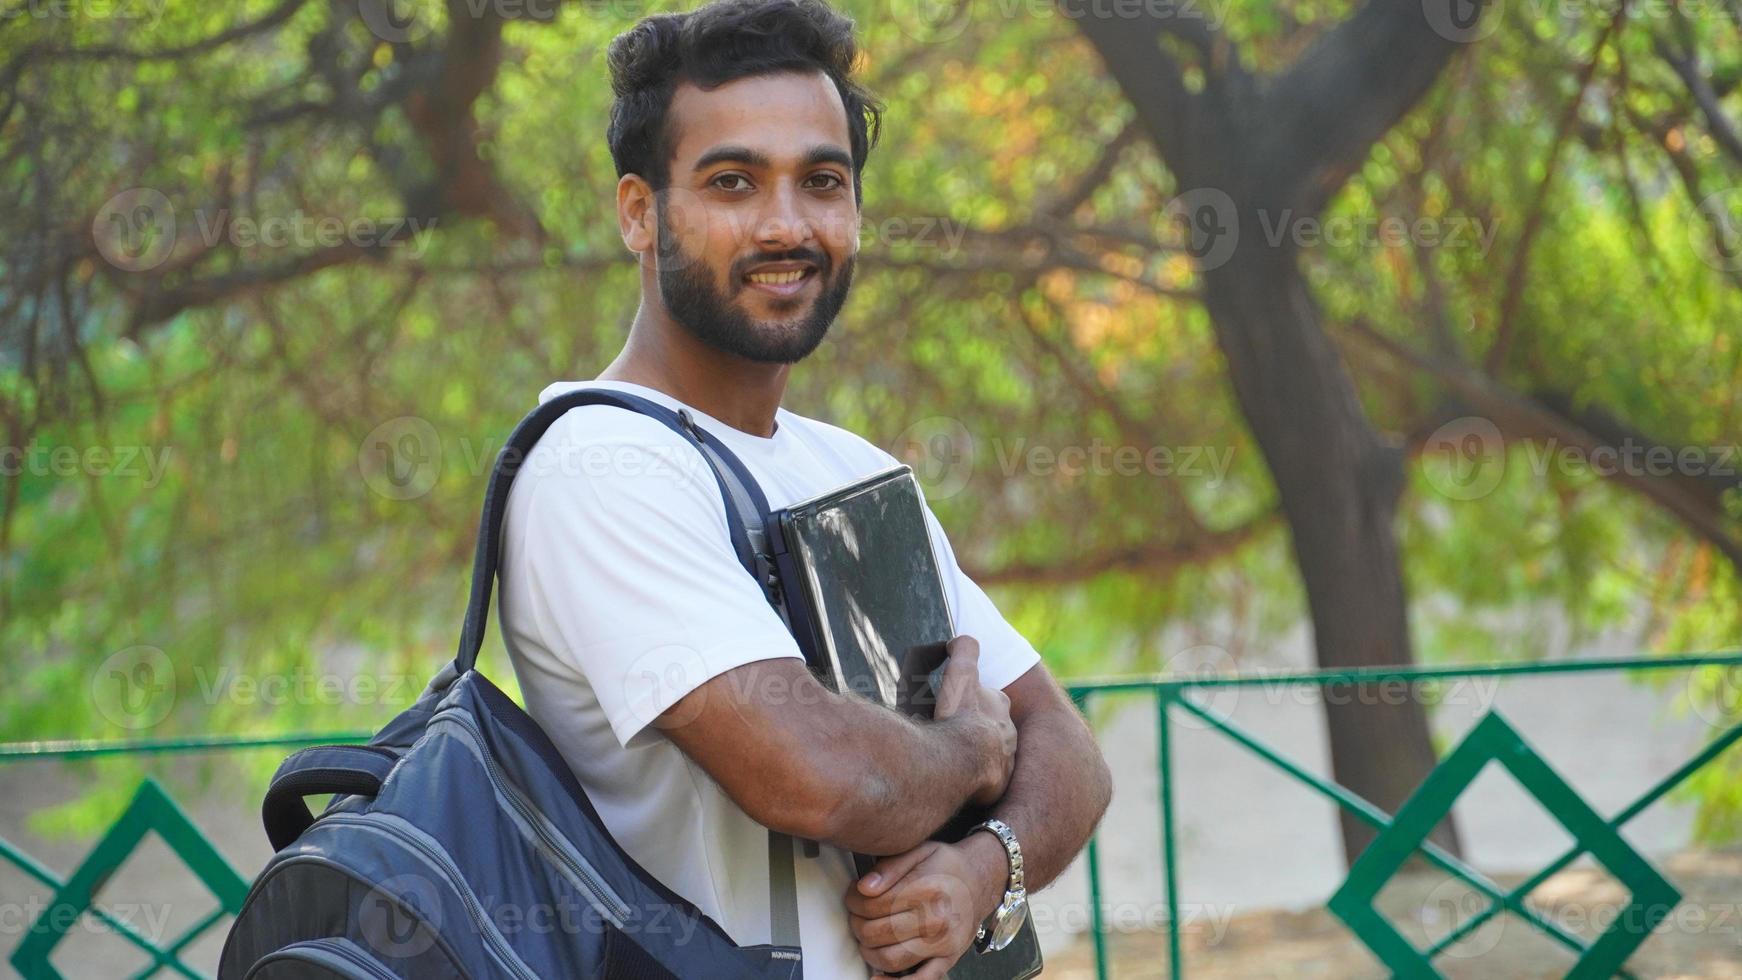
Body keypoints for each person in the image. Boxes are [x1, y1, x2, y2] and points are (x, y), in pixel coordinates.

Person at [498, 1, 1112, 975]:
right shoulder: (597, 465)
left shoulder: (854, 470)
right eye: (732, 181)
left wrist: (979, 873)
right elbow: (823, 777)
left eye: (821, 182)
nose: (786, 224)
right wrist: (971, 745)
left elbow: (1065, 744)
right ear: (638, 212)